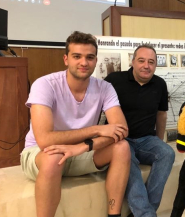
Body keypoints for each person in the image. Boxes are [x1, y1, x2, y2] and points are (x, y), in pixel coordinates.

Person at [20, 31, 131, 217]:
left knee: (122, 147)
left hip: (81, 152)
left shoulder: (105, 87)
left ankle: (114, 214)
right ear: (66, 59)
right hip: (41, 153)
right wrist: (96, 129)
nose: (84, 62)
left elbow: (121, 130)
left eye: (90, 57)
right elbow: (45, 140)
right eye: (77, 56)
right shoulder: (45, 85)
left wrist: (83, 147)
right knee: (53, 157)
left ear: (96, 61)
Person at [105, 44, 175, 217]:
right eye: (141, 60)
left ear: (155, 65)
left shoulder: (159, 84)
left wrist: (159, 140)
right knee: (127, 158)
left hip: (146, 140)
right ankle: (145, 214)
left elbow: (161, 115)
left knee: (167, 153)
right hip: (120, 139)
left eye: (151, 62)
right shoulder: (114, 80)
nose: (146, 65)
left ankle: (144, 211)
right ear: (132, 61)